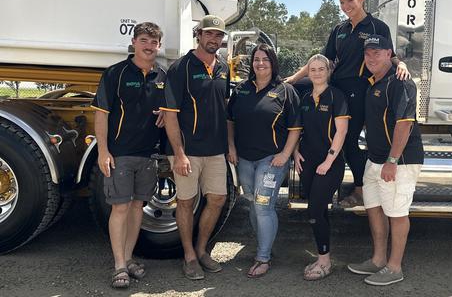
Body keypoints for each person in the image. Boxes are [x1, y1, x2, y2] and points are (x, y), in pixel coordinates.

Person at [286, 0, 410, 208]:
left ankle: (360, 191)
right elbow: (321, 59)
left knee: (349, 141)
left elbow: (389, 56)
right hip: (336, 86)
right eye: (342, 3)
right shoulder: (339, 29)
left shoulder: (377, 26)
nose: (346, 7)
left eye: (350, 1)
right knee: (293, 89)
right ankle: (294, 150)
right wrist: (292, 78)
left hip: (358, 89)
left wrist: (401, 64)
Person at [91, 22, 166, 289]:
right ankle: (119, 265)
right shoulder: (116, 73)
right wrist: (103, 151)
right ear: (134, 42)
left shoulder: (162, 76)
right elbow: (101, 114)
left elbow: (170, 110)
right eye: (144, 40)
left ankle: (129, 257)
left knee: (137, 207)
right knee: (120, 207)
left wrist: (165, 113)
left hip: (148, 155)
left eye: (154, 42)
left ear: (159, 46)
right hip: (120, 154)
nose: (149, 46)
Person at [347, 34, 424, 286]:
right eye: (368, 53)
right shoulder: (373, 82)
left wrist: (392, 160)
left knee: (397, 212)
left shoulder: (400, 82)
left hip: (398, 161)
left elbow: (404, 125)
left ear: (389, 53)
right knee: (374, 209)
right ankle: (378, 259)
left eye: (377, 53)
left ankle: (394, 267)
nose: (371, 58)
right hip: (375, 159)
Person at [160, 15, 230, 280]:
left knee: (218, 199)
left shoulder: (224, 68)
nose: (214, 39)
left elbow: (224, 108)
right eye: (209, 34)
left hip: (215, 150)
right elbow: (170, 114)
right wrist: (178, 154)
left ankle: (202, 250)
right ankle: (189, 256)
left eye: (218, 35)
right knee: (186, 202)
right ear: (198, 35)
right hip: (187, 151)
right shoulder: (181, 68)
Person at [227, 43, 301, 278]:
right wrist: (231, 147)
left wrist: (285, 154)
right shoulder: (241, 90)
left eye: (265, 60)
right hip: (245, 159)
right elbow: (230, 121)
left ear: (273, 63)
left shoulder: (285, 91)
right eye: (256, 59)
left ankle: (263, 257)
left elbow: (295, 128)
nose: (260, 63)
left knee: (263, 205)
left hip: (272, 160)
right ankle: (263, 245)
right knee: (251, 201)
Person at [293, 54, 349, 280]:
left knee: (314, 210)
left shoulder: (337, 96)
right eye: (312, 69)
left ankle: (325, 261)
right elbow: (298, 128)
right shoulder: (305, 97)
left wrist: (329, 161)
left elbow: (342, 131)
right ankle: (321, 255)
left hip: (329, 163)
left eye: (321, 69)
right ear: (308, 72)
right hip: (307, 161)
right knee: (319, 209)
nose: (316, 73)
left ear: (328, 71)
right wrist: (296, 151)